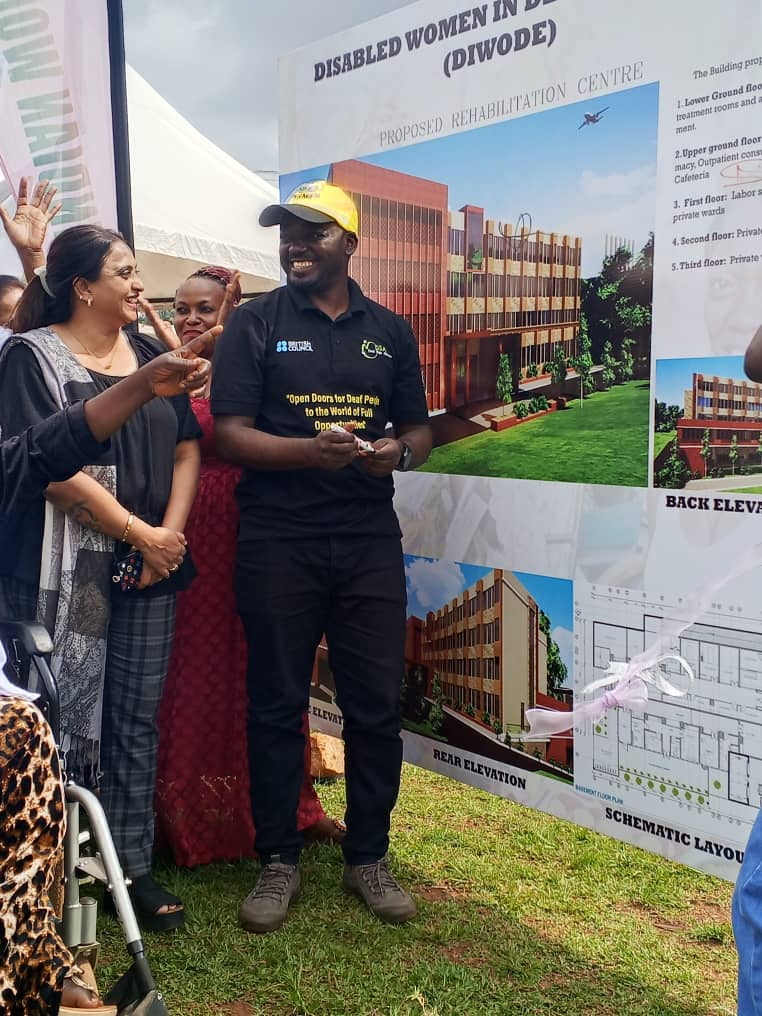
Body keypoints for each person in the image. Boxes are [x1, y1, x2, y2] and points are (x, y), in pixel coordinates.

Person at [211, 180, 432, 932]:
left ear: (350, 243)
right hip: (278, 540)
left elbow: (419, 431)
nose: (295, 244)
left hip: (367, 540)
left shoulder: (390, 330)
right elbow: (230, 434)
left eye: (314, 232)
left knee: (374, 706)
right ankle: (279, 858)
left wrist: (397, 453)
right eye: (287, 232)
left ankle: (368, 856)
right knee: (277, 703)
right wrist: (310, 451)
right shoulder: (255, 322)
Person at [0, 224, 204, 932]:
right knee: (59, 720)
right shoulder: (31, 357)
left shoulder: (149, 354)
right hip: (68, 570)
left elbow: (186, 447)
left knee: (133, 719)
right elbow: (47, 467)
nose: (139, 285)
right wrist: (138, 533)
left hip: (153, 566)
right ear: (83, 287)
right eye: (124, 272)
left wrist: (166, 539)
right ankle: (53, 864)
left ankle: (131, 867)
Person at [143, 267, 343, 867]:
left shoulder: (258, 369)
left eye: (204, 308)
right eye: (181, 308)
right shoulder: (161, 371)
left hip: (253, 529)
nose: (190, 319)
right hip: (182, 531)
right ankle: (183, 813)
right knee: (189, 666)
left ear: (231, 309)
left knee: (266, 666)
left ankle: (287, 805)